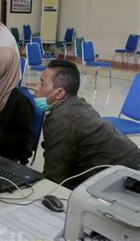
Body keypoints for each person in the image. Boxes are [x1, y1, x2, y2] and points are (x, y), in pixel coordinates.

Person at [34, 60, 140, 189]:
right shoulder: (77, 103)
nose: (36, 88)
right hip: (129, 162)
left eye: (42, 83)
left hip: (126, 178)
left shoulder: (61, 119)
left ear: (60, 93)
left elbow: (54, 177)